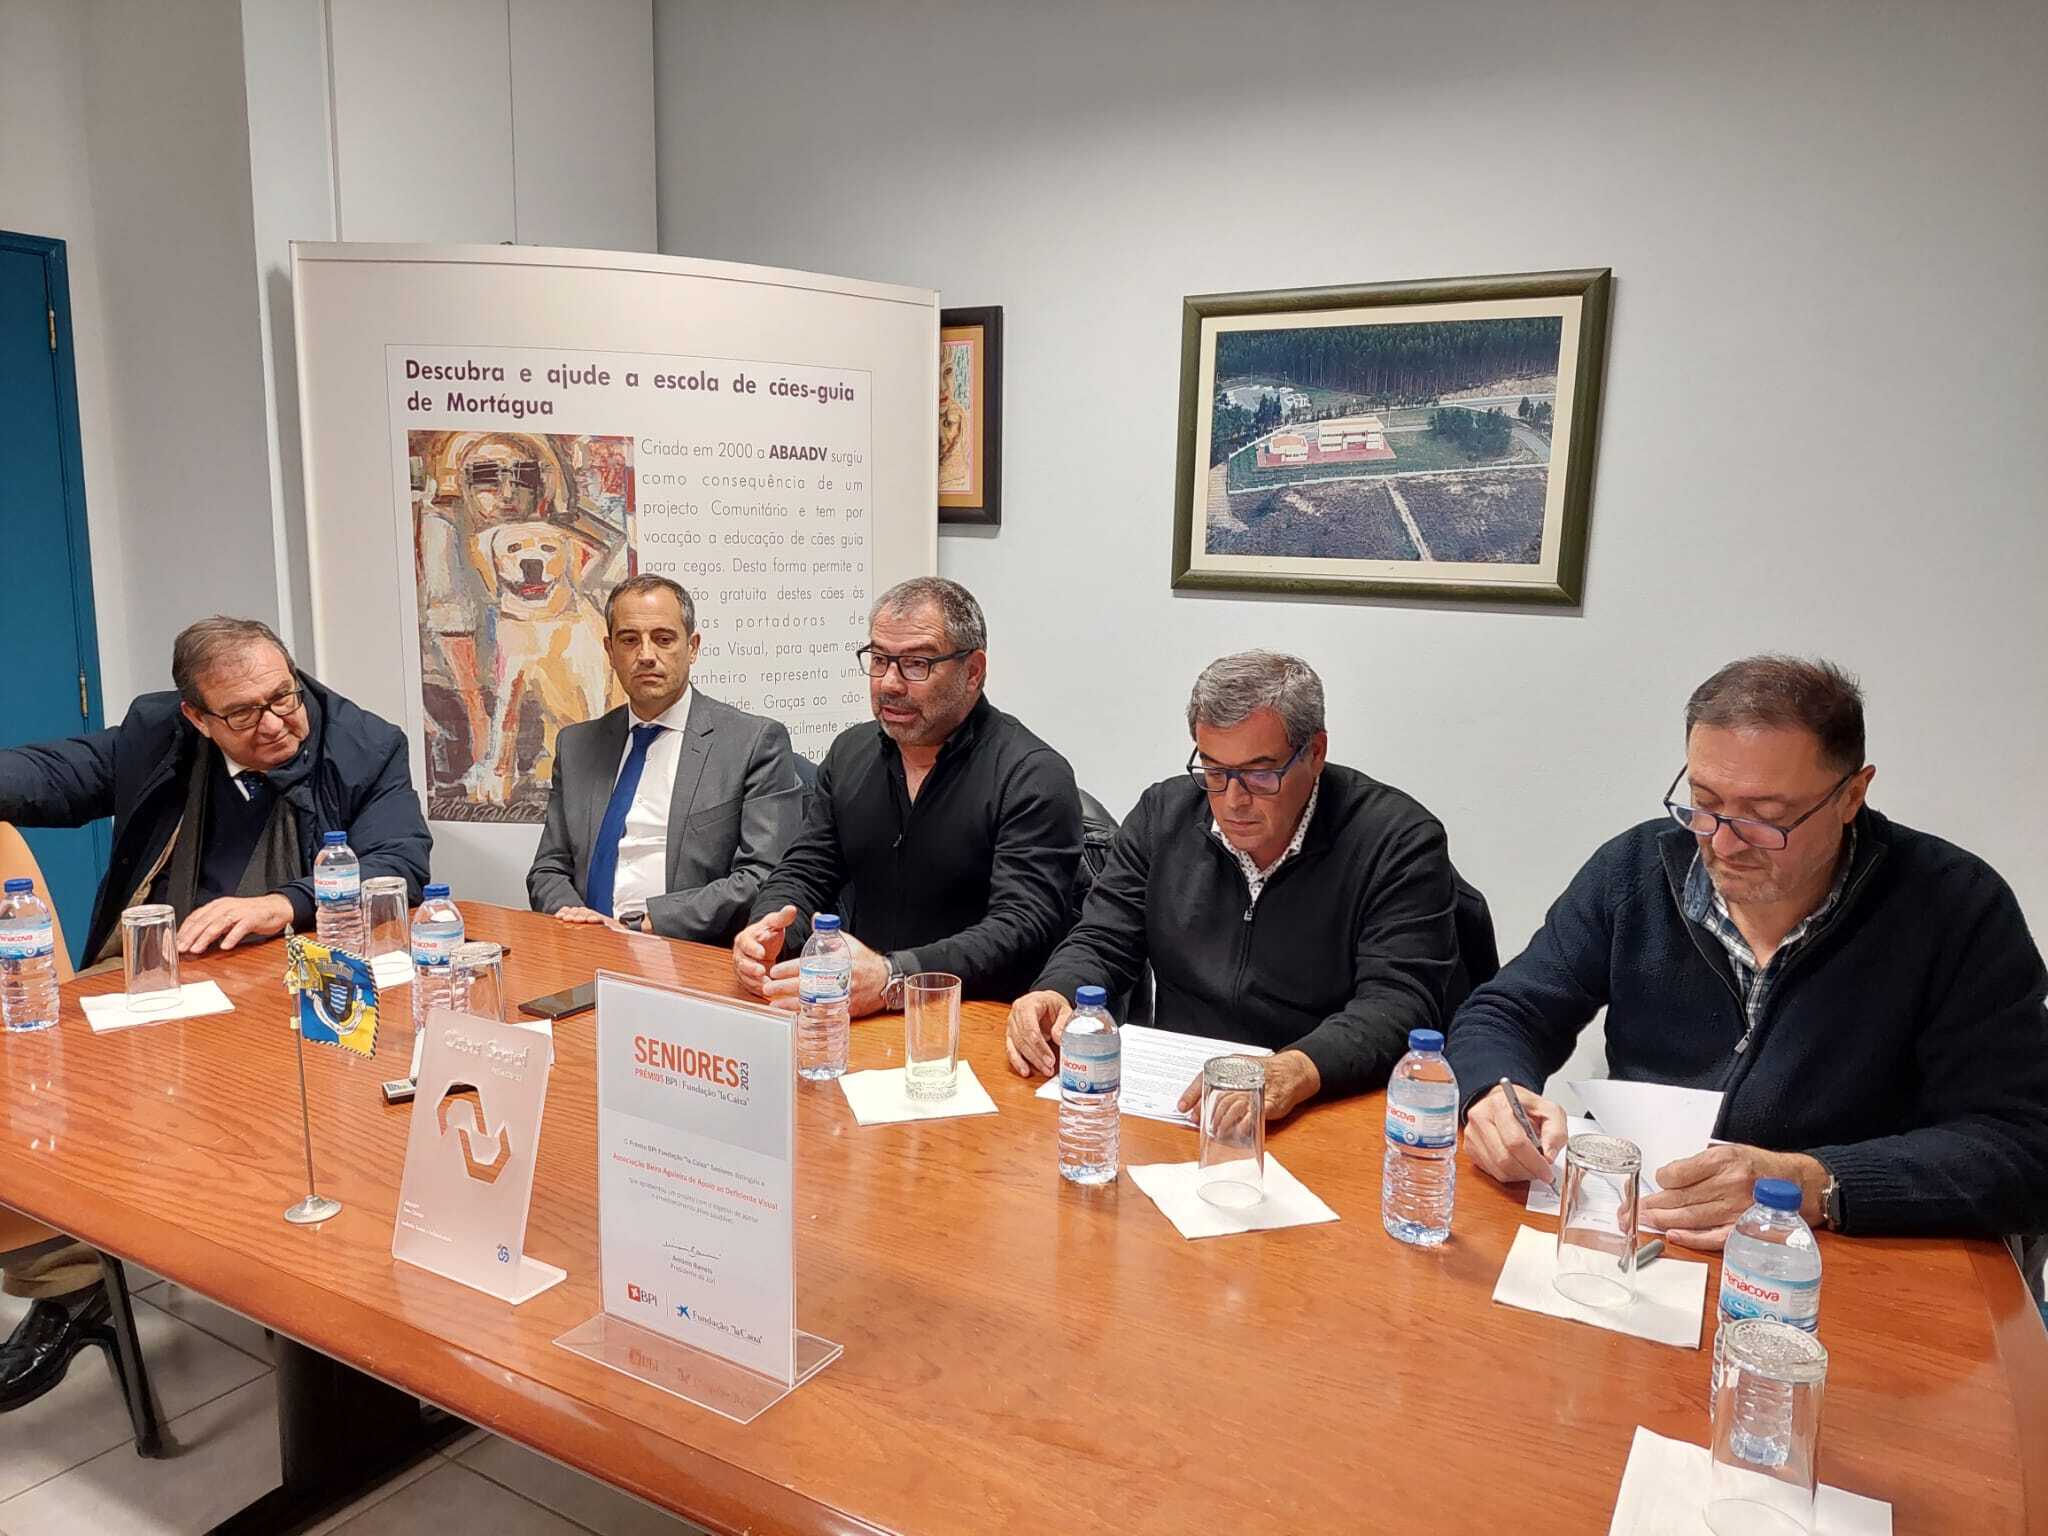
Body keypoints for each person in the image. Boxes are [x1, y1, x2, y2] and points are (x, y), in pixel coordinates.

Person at [1449, 655, 2048, 1250]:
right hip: (1647, 1224)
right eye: (1704, 802)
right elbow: (1510, 1010)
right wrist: (1493, 1094)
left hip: (1842, 1249)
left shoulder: (1955, 907)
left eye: (1767, 818)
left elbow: (2022, 1146)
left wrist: (1812, 1183)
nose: (1724, 844)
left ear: (1851, 795)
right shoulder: (1637, 870)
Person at [0, 614, 431, 1408]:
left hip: (300, 967)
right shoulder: (157, 732)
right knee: (39, 1100)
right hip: (161, 971)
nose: (276, 723)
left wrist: (284, 903)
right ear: (197, 716)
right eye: (243, 713)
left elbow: (400, 862)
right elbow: (54, 776)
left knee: (309, 1109)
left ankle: (312, 1283)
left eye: (284, 697)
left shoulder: (362, 744)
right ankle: (71, 1285)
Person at [1004, 651, 1464, 1123]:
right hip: (1180, 1101)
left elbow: (1397, 1003)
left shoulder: (1396, 841)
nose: (1233, 800)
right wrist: (1056, 991)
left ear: (1315, 753)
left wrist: (1296, 1069)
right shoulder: (1164, 815)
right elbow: (1104, 940)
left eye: (1261, 775)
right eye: (1215, 771)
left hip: (1321, 1101)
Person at [732, 577, 1081, 1014]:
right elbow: (805, 870)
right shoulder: (851, 752)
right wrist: (768, 929)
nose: (889, 684)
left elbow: (1021, 927)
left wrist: (894, 976)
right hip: (860, 1010)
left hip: (976, 1016)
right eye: (879, 660)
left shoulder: (1032, 775)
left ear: (973, 671)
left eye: (916, 664)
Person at [527, 575, 802, 941]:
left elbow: (764, 874)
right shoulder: (577, 745)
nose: (645, 655)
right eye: (629, 640)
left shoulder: (752, 743)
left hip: (686, 949)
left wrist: (640, 924)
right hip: (586, 945)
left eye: (663, 639)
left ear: (692, 647)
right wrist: (578, 921)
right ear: (610, 651)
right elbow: (548, 868)